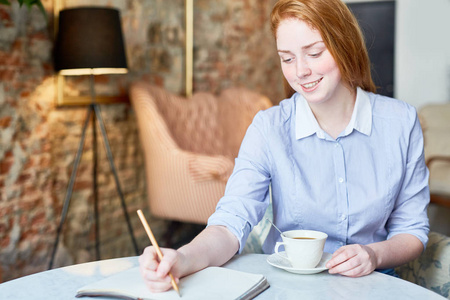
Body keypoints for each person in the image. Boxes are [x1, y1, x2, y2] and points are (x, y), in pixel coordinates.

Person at [139, 0, 429, 292]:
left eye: (314, 53)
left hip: (372, 287)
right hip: (290, 289)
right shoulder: (269, 127)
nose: (300, 71)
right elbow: (231, 222)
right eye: (287, 58)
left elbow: (412, 230)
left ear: (345, 45)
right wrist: (183, 258)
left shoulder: (401, 123)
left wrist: (374, 254)